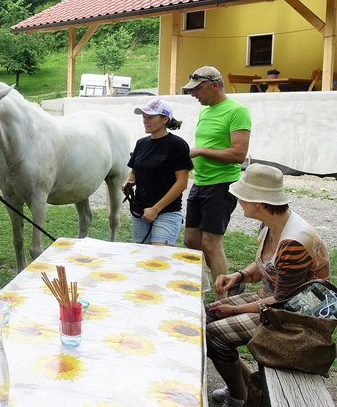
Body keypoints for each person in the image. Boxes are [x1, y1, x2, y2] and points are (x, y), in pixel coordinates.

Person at [206, 164, 329, 407]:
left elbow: (284, 301)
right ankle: (241, 390)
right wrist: (238, 276)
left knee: (214, 334)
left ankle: (238, 396)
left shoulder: (294, 242)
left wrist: (234, 310)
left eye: (243, 196)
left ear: (260, 202)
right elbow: (264, 266)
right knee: (206, 316)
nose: (238, 200)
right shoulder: (273, 223)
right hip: (272, 304)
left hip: (296, 320)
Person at [182, 66, 251, 298]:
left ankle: (223, 302)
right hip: (200, 182)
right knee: (191, 239)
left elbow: (238, 154)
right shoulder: (206, 111)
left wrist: (200, 151)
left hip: (222, 184)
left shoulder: (237, 111)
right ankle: (228, 279)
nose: (193, 94)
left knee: (211, 243)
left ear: (214, 85)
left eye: (197, 89)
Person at [122, 98, 193, 245]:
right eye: (143, 117)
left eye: (150, 117)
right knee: (141, 257)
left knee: (159, 258)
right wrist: (129, 181)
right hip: (140, 211)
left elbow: (182, 183)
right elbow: (134, 172)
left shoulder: (177, 145)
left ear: (165, 119)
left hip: (166, 212)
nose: (145, 121)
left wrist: (155, 209)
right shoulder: (141, 143)